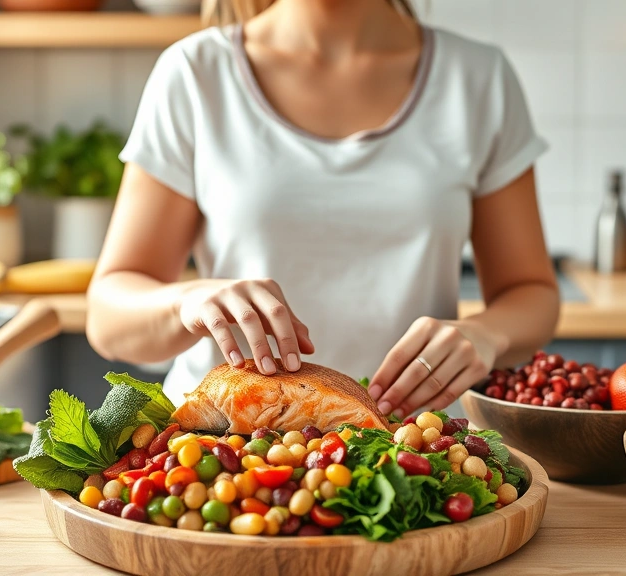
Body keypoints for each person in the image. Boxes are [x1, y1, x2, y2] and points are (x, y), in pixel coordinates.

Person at [87, 0, 559, 420]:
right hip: (221, 448)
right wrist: (186, 302)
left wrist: (485, 334)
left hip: (413, 446)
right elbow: (109, 318)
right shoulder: (194, 73)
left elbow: (532, 293)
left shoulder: (478, 77)